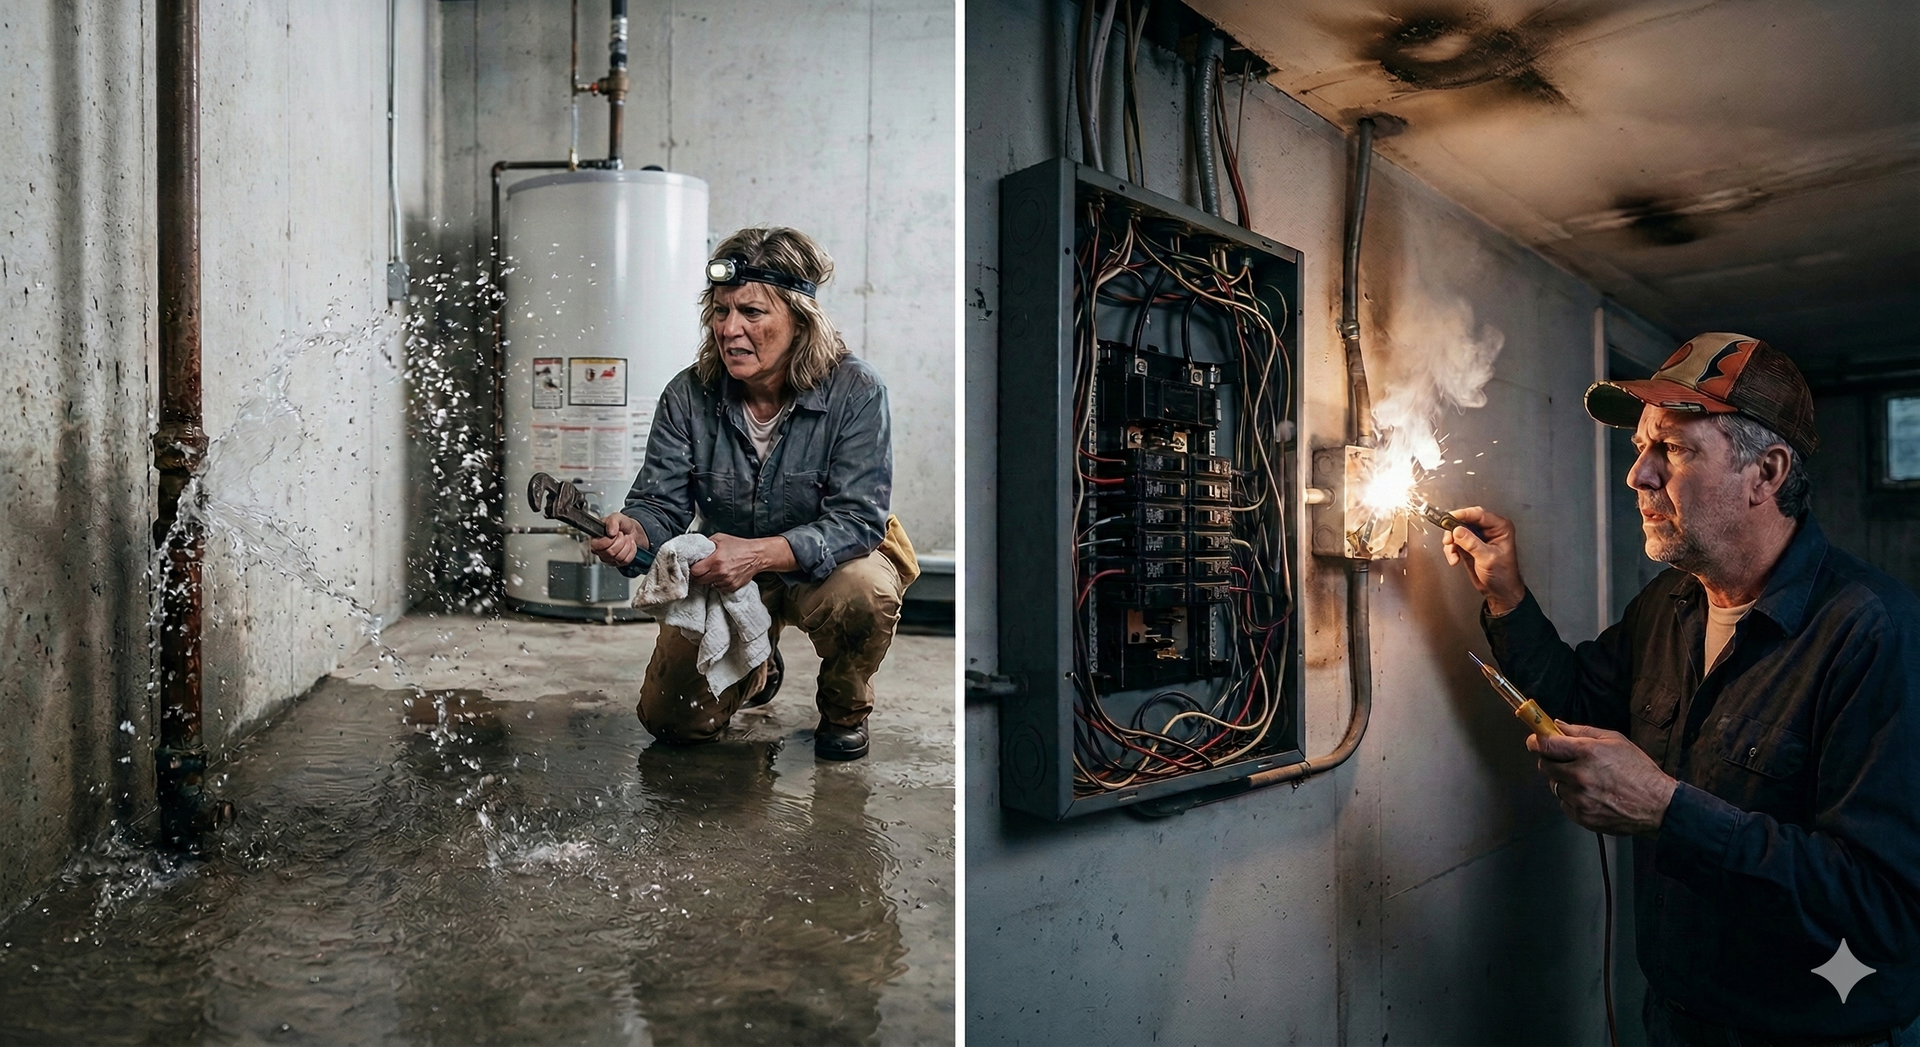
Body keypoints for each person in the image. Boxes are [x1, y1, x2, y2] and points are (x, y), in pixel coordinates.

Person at [1442, 333, 1920, 1044]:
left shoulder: (1872, 633)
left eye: (1673, 449)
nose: (1637, 475)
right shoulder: (1670, 604)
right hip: (1675, 1020)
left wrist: (1668, 809)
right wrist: (1507, 595)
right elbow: (1576, 705)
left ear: (1766, 472)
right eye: (1641, 447)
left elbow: (1883, 909)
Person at [590, 227, 918, 761]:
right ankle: (758, 663)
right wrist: (636, 528)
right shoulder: (688, 394)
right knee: (672, 723)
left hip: (828, 565)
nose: (730, 329)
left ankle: (844, 709)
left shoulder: (856, 391)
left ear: (800, 318)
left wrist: (761, 552)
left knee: (864, 590)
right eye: (720, 312)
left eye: (751, 312)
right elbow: (662, 503)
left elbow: (859, 521)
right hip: (730, 574)